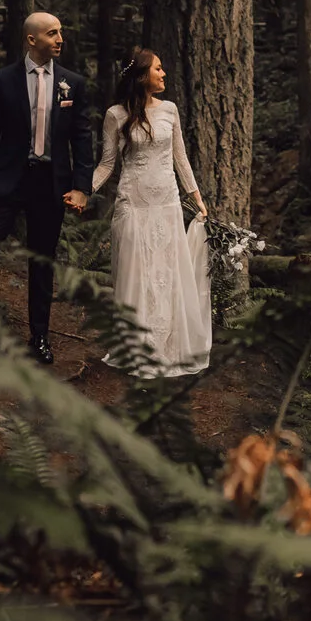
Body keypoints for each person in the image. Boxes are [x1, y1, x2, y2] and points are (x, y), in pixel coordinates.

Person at [0, 12, 97, 364]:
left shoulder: (73, 83)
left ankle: (39, 337)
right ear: (31, 40)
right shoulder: (3, 80)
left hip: (49, 184)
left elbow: (83, 140)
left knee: (42, 262)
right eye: (52, 33)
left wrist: (82, 187)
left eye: (61, 32)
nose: (59, 39)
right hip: (4, 181)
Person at [91, 48, 211, 377]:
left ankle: (167, 345)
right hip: (133, 202)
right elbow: (107, 164)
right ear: (143, 75)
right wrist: (83, 189)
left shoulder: (170, 110)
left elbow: (180, 159)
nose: (164, 74)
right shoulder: (116, 114)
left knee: (166, 272)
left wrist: (195, 197)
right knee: (136, 272)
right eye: (158, 69)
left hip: (167, 203)